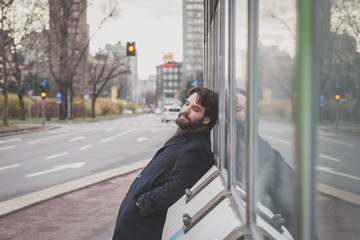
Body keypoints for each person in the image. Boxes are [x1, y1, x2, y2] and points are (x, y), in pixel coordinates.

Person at [112, 86, 219, 240]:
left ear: (206, 119)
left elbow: (176, 188)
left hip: (143, 228)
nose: (186, 110)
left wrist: (142, 203)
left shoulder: (197, 149)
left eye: (195, 108)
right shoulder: (186, 137)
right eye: (187, 104)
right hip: (135, 223)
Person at [235, 89, 294, 234]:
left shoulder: (255, 146)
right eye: (239, 109)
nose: (248, 113)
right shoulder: (241, 149)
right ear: (225, 117)